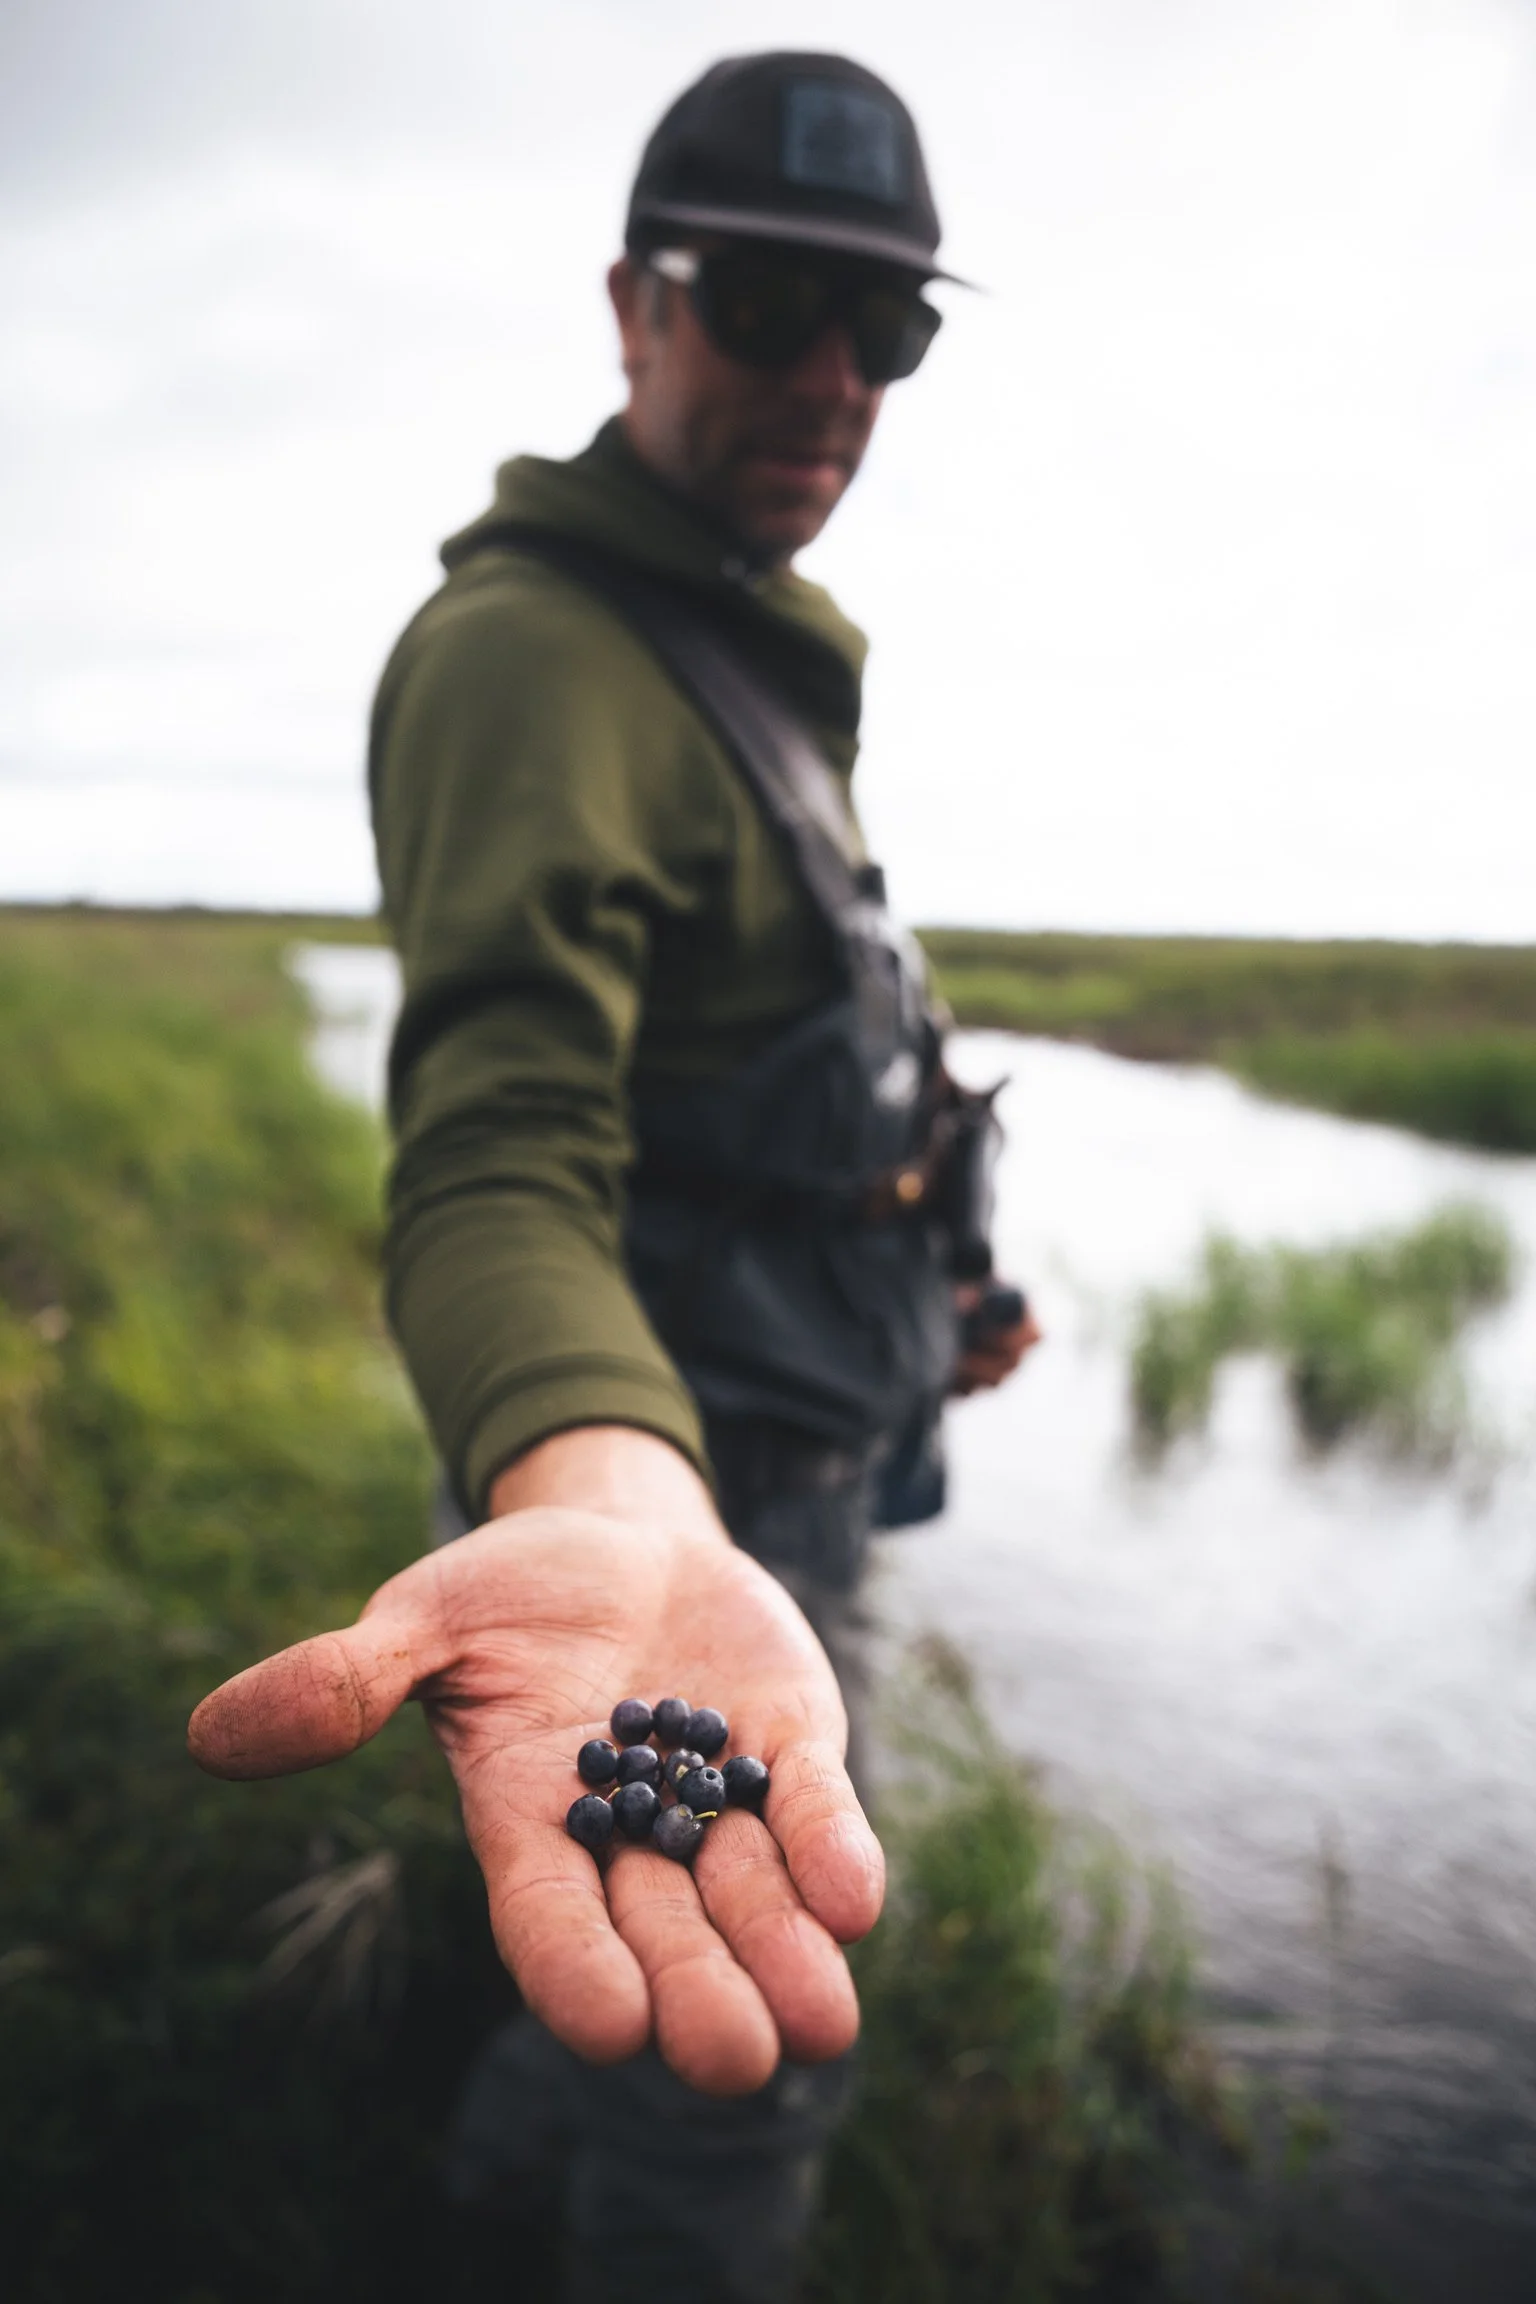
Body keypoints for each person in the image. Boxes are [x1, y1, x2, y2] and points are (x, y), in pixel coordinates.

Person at [190, 50, 1037, 2303]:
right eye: (770, 302)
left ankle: (461, 2220)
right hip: (695, 1487)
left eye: (894, 326)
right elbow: (493, 1150)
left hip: (809, 1414)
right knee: (736, 2049)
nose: (836, 377)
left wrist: (930, 1280)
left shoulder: (722, 642)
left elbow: (762, 1075)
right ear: (633, 304)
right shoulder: (544, 663)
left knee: (636, 1994)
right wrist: (620, 1502)